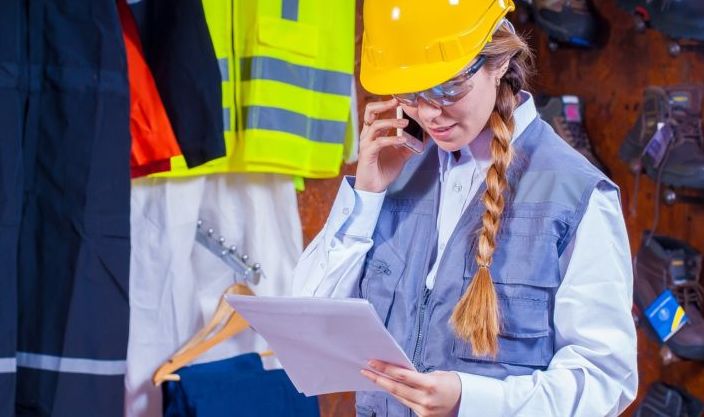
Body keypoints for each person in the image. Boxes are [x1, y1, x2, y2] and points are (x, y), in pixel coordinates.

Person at [292, 1, 638, 416]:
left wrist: (468, 400)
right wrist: (366, 196)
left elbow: (605, 380)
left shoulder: (575, 193)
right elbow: (309, 326)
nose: (429, 113)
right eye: (412, 94)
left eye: (447, 87)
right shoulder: (394, 169)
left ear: (500, 59)